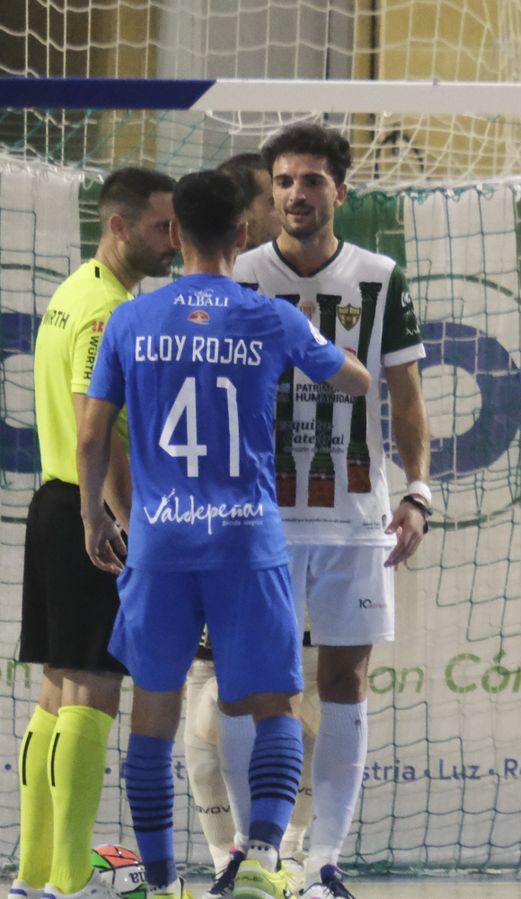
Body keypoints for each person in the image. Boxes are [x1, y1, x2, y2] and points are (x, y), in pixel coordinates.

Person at [77, 168, 370, 899]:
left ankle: (165, 881)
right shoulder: (268, 315)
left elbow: (90, 433)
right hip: (246, 542)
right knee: (274, 704)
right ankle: (264, 859)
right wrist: (329, 354)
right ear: (244, 235)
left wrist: (94, 515)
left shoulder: (130, 320)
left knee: (153, 715)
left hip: (160, 544)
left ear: (174, 234)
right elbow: (357, 382)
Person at [225, 123, 432, 899]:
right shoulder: (240, 275)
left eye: (312, 181)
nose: (296, 194)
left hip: (353, 515)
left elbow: (408, 402)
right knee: (253, 685)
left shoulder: (379, 276)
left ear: (340, 192)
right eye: (283, 181)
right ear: (269, 190)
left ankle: (324, 861)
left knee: (345, 678)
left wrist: (418, 491)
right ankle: (255, 854)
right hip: (258, 517)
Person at [11, 166, 176, 899]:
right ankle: (71, 876)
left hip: (52, 503)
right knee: (91, 688)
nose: (171, 241)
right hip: (87, 512)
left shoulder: (70, 291)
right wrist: (130, 525)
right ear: (120, 225)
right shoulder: (107, 310)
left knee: (55, 690)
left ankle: (33, 872)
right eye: (160, 227)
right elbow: (96, 426)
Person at [183, 150, 316, 894]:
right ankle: (219, 858)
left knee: (299, 696)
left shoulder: (317, 284)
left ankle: (286, 853)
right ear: (246, 218)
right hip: (225, 530)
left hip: (312, 521)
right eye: (277, 192)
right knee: (209, 693)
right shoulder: (201, 296)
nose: (290, 202)